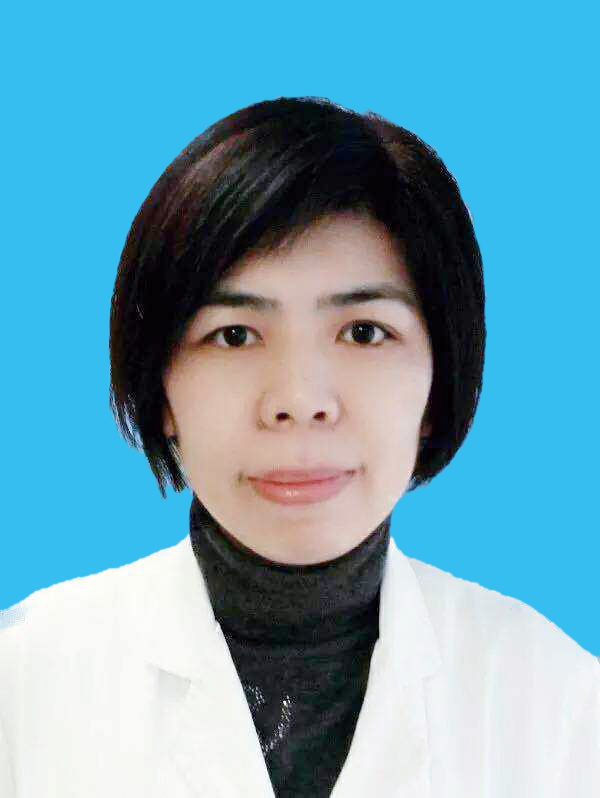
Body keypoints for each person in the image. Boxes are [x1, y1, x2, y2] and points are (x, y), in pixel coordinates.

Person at [0, 96, 598, 797]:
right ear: (162, 391)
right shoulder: (23, 686)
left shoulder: (557, 704)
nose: (299, 398)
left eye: (364, 332)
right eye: (234, 335)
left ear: (438, 386)